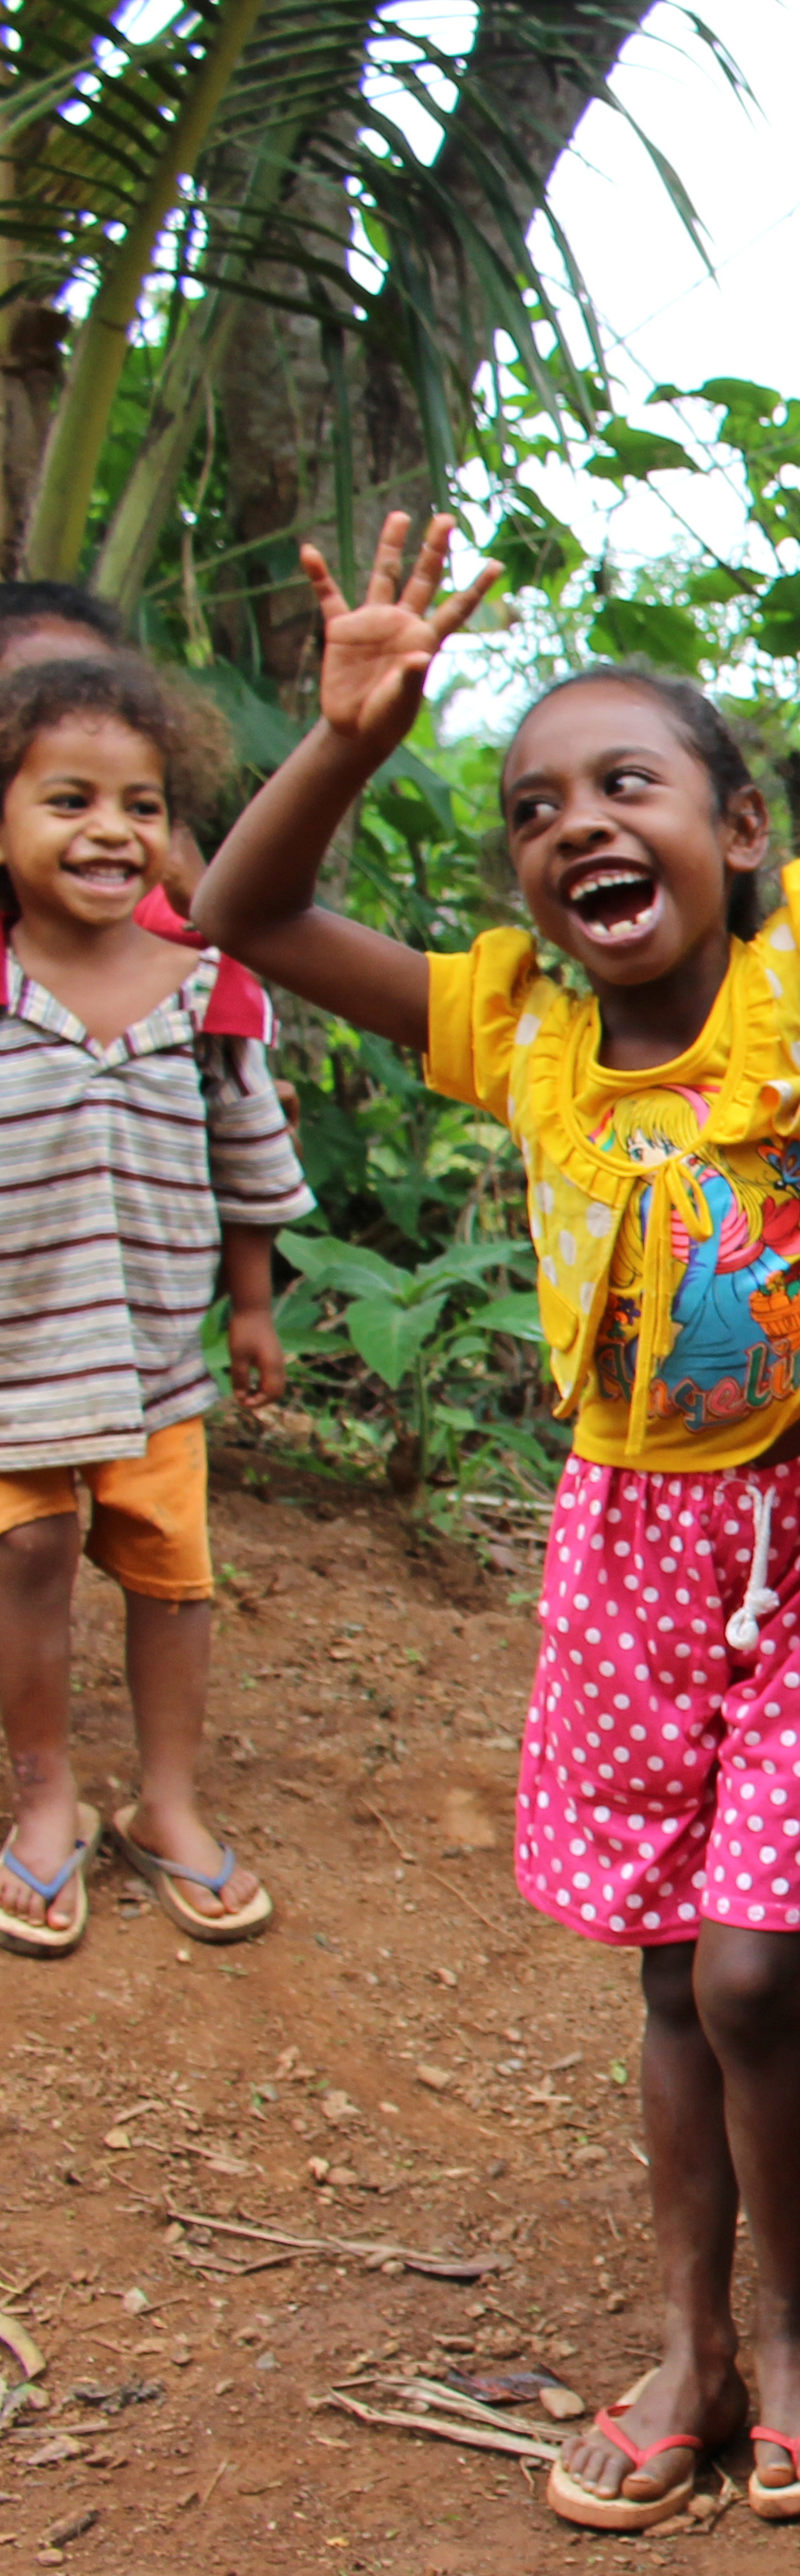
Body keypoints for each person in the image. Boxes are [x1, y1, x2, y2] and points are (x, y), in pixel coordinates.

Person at [187, 470, 800, 2529]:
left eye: (626, 785)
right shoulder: (510, 1018)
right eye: (533, 808)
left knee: (752, 1968)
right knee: (671, 1974)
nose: (576, 823)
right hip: (626, 1543)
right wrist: (350, 736)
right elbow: (239, 915)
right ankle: (695, 2342)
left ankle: (796, 2327)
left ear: (739, 829)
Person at [0, 652, 308, 1954]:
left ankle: (166, 1801)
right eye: (68, 800)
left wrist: (253, 1307)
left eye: (142, 805)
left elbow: (249, 1157)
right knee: (25, 1558)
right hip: (14, 1359)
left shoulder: (210, 990)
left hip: (155, 1360)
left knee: (172, 1577)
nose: (111, 831)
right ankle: (45, 1796)